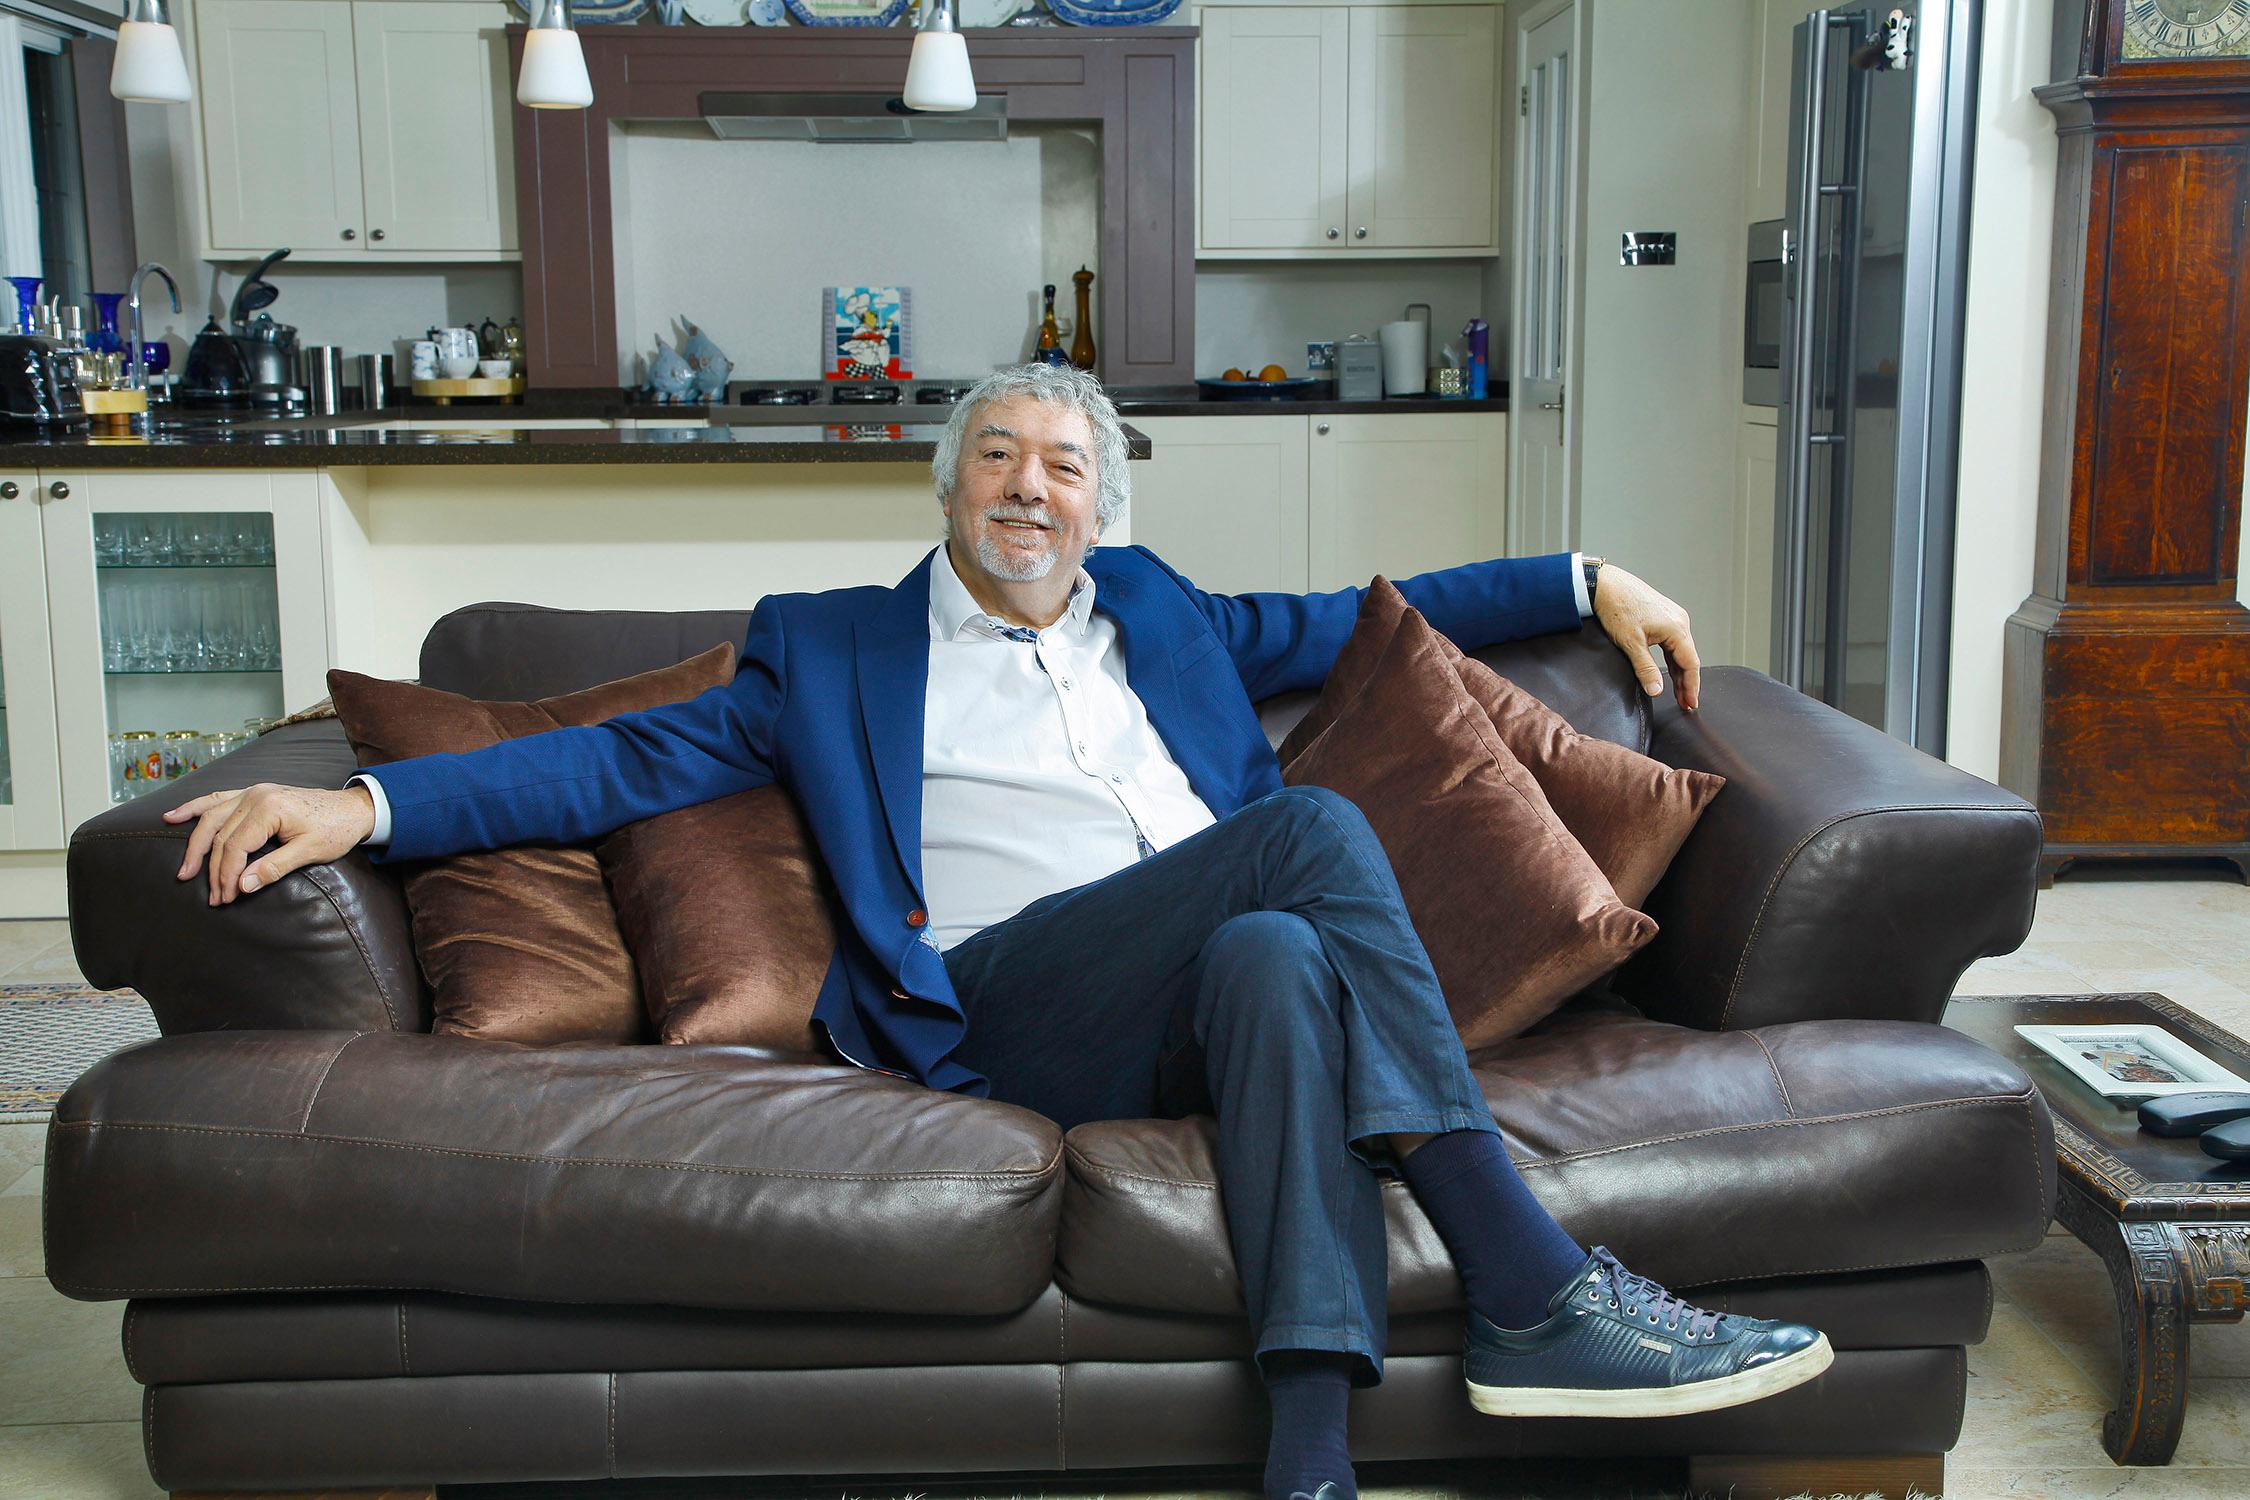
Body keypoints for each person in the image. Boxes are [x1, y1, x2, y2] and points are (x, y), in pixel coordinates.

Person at [167, 363, 1829, 1500]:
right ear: (944, 478)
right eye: (997, 456)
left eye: (1063, 466)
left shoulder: (1169, 613)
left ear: (1100, 505)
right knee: (1305, 840)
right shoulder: (825, 652)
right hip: (1017, 1003)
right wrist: (362, 811)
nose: (1028, 488)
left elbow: (1379, 616)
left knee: (1274, 951)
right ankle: (1533, 1284)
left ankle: (1309, 1454)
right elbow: (599, 762)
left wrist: (1587, 571)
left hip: (1215, 980)